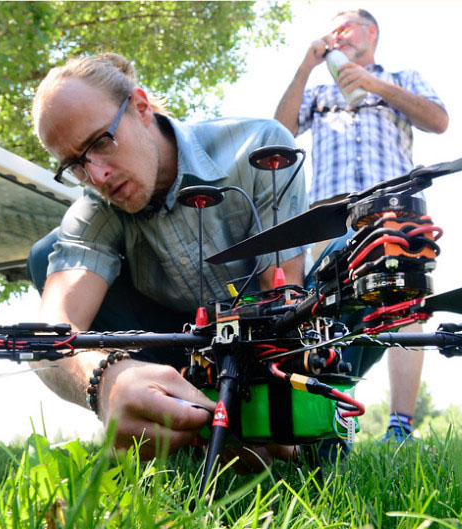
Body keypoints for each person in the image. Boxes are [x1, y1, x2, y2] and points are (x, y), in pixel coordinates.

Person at [28, 53, 307, 466]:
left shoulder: (259, 148)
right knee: (43, 256)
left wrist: (279, 407)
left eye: (101, 143)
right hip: (178, 354)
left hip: (280, 334)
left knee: (352, 250)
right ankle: (168, 411)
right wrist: (104, 381)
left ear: (141, 107)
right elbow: (46, 336)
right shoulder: (97, 211)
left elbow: (281, 293)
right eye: (76, 165)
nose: (98, 176)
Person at [274, 8, 449, 442]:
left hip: (394, 208)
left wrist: (371, 83)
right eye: (333, 27)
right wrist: (305, 66)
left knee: (406, 309)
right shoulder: (318, 89)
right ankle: (332, 420)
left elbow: (439, 120)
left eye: (345, 24)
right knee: (322, 312)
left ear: (371, 32)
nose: (337, 32)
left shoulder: (402, 77)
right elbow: (279, 132)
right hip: (330, 215)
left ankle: (400, 426)